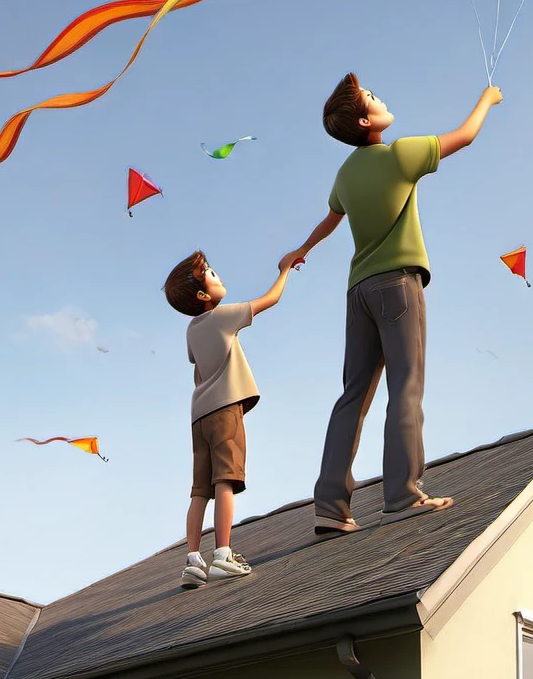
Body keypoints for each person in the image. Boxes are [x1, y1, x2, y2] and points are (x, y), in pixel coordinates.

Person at [283, 74, 503, 535]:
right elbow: (465, 135)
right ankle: (402, 492)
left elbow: (330, 220)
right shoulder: (402, 153)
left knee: (353, 396)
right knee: (405, 384)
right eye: (372, 97)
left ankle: (330, 504)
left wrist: (300, 250)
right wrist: (487, 98)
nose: (381, 98)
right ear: (366, 120)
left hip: (357, 291)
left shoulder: (345, 174)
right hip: (398, 286)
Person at [164, 249, 294, 587]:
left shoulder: (191, 331)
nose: (217, 273)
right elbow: (271, 299)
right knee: (226, 481)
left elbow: (198, 369)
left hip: (199, 415)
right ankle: (223, 554)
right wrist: (285, 269)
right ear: (204, 295)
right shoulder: (221, 317)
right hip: (225, 410)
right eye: (209, 272)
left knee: (199, 490)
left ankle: (193, 560)